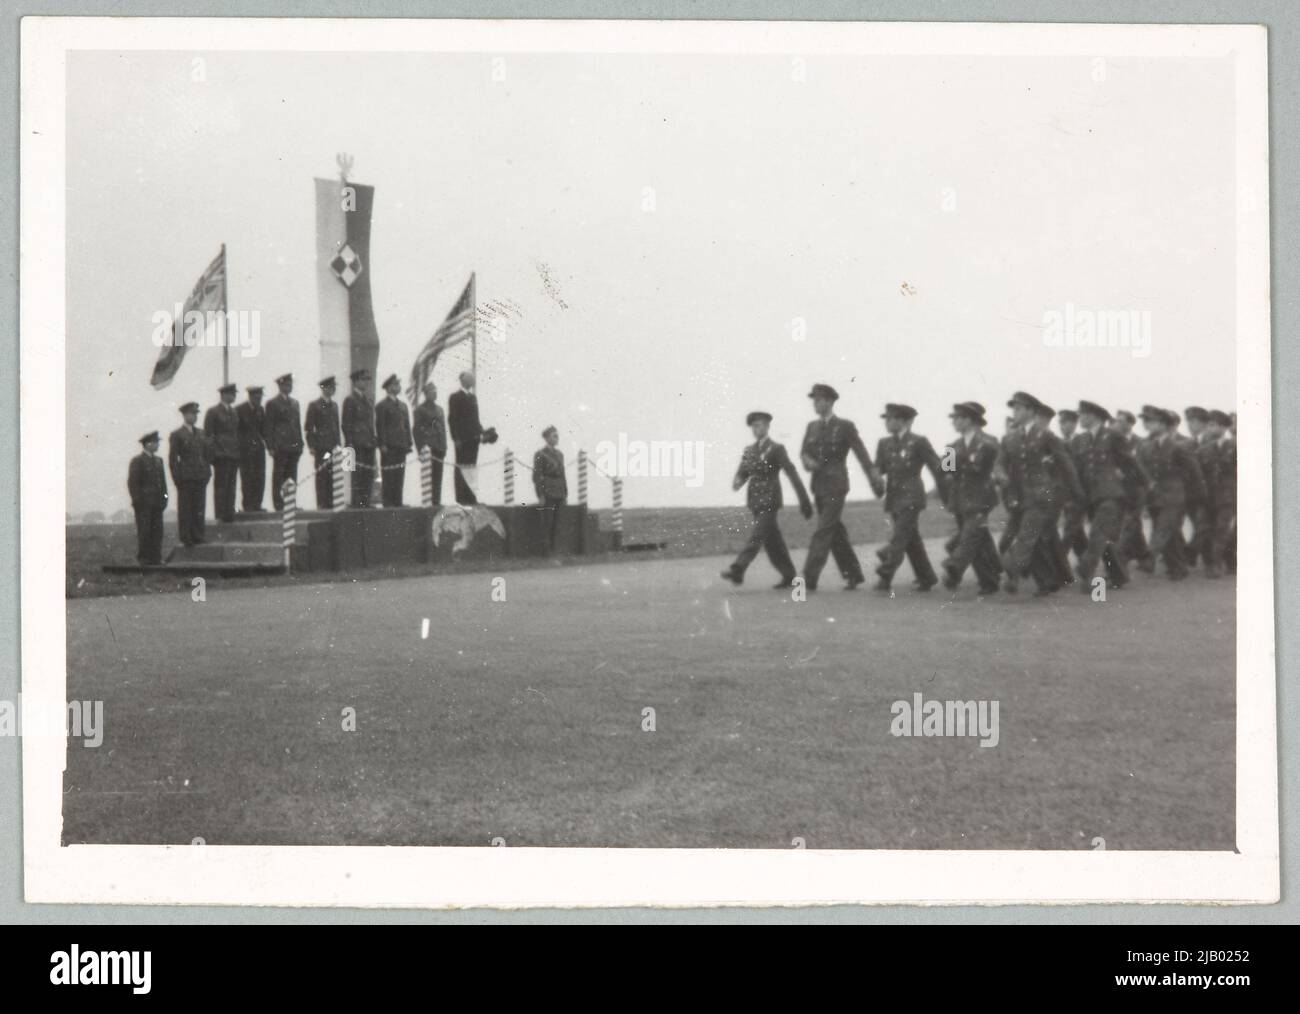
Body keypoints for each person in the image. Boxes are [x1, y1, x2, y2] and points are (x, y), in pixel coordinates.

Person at [996, 391, 1084, 596]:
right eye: (1013, 409)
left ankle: (1012, 572)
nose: (1014, 413)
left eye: (1018, 409)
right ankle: (1047, 581)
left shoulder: (1046, 436)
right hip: (1017, 496)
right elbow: (1000, 462)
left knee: (1027, 535)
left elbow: (1066, 465)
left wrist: (1077, 491)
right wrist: (1000, 475)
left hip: (1041, 496)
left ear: (1031, 411)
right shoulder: (1009, 438)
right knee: (1034, 539)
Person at [800, 383, 885, 592]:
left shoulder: (845, 426)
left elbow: (861, 452)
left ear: (829, 401)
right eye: (814, 400)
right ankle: (853, 574)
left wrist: (874, 476)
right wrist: (808, 461)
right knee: (834, 531)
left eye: (819, 400)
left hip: (837, 484)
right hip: (818, 485)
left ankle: (807, 579)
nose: (815, 404)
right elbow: (804, 452)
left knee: (823, 530)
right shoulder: (811, 427)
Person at [721, 411, 812, 587]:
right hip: (755, 500)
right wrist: (737, 481)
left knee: (757, 535)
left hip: (770, 499)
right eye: (754, 426)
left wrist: (804, 500)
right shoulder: (749, 450)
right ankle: (789, 575)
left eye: (760, 425)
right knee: (772, 540)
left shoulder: (777, 449)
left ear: (768, 426)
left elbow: (791, 473)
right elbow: (742, 472)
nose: (757, 429)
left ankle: (738, 569)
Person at [1073, 400, 1148, 591]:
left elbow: (1129, 462)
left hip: (1110, 494)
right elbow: (1077, 469)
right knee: (1104, 538)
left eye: (1082, 414)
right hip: (1090, 495)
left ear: (1094, 416)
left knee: (1097, 532)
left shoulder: (1112, 435)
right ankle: (1119, 575)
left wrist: (1144, 484)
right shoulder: (1080, 439)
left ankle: (1086, 571)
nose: (1079, 418)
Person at [873, 403, 948, 592]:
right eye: (886, 419)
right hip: (894, 498)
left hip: (912, 496)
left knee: (899, 538)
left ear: (905, 421)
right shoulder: (884, 443)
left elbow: (937, 466)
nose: (887, 422)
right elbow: (879, 468)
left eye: (891, 419)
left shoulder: (919, 441)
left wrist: (951, 462)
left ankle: (885, 575)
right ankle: (927, 577)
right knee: (910, 539)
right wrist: (875, 477)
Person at [1134, 406, 1205, 581]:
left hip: (1175, 496)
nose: (1148, 425)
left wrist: (1195, 495)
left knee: (1163, 528)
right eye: (1148, 421)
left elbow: (1194, 471)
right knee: (1170, 534)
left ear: (1164, 425)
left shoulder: (1177, 447)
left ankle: (1148, 556)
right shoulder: (1150, 446)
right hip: (1157, 496)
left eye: (1153, 422)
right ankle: (1178, 568)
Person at [940, 402, 1002, 594]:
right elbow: (947, 473)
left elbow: (998, 465)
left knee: (969, 536)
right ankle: (989, 581)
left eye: (958, 418)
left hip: (981, 498)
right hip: (960, 500)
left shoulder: (989, 442)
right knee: (978, 540)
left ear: (970, 419)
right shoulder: (952, 446)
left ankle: (954, 567)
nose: (954, 423)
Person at [169, 402, 211, 546]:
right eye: (191, 414)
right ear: (184, 415)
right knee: (186, 508)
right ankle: (186, 537)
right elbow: (173, 459)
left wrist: (207, 472)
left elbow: (206, 455)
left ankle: (198, 535)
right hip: (185, 477)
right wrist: (177, 478)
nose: (194, 417)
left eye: (195, 414)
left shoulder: (201, 433)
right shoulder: (177, 434)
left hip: (200, 476)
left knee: (199, 507)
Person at [127, 431, 168, 565]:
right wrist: (137, 501)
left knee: (158, 531)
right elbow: (133, 483)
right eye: (155, 442)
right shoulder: (137, 461)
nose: (157, 445)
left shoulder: (159, 461)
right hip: (144, 504)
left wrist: (165, 499)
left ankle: (156, 557)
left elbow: (163, 483)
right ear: (147, 444)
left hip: (157, 503)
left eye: (157, 442)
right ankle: (144, 558)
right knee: (144, 531)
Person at [264, 373, 303, 511]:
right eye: (286, 385)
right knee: (279, 475)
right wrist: (270, 446)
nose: (289, 387)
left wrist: (300, 443)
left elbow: (297, 425)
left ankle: (290, 502)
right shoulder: (272, 403)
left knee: (291, 476)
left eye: (290, 384)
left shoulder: (295, 403)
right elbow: (269, 426)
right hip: (280, 445)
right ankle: (278, 503)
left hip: (294, 445)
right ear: (280, 386)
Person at [448, 371, 488, 504]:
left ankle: (471, 496)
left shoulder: (473, 398)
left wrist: (482, 431)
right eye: (470, 378)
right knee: (461, 467)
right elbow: (452, 419)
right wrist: (456, 438)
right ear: (463, 380)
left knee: (471, 467)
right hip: (462, 439)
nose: (473, 381)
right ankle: (461, 497)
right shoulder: (455, 397)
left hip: (473, 438)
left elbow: (475, 419)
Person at [203, 383, 240, 523]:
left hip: (233, 453)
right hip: (221, 454)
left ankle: (229, 513)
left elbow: (235, 433)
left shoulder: (234, 412)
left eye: (234, 394)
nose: (234, 396)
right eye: (231, 394)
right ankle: (220, 514)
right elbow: (209, 436)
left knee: (231, 485)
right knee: (221, 486)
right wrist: (212, 455)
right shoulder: (213, 412)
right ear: (224, 395)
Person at [375, 373, 413, 507]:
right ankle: (388, 502)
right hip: (389, 446)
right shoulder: (382, 405)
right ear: (389, 387)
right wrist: (382, 444)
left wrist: (409, 442)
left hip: (401, 445)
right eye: (396, 384)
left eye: (398, 384)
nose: (398, 387)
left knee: (399, 475)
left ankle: (398, 501)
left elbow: (407, 426)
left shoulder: (403, 405)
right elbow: (381, 426)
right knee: (389, 475)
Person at [305, 376, 343, 510]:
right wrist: (311, 446)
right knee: (322, 475)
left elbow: (336, 427)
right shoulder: (314, 405)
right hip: (321, 447)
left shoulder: (335, 406)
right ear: (323, 388)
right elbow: (309, 428)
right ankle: (322, 503)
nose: (332, 389)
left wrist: (339, 445)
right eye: (329, 387)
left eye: (333, 387)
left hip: (333, 447)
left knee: (333, 474)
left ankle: (331, 502)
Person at [342, 369, 377, 508]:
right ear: (355, 382)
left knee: (368, 473)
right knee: (357, 473)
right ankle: (357, 502)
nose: (365, 383)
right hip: (356, 442)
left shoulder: (367, 400)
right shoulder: (350, 400)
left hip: (368, 442)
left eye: (366, 380)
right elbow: (346, 423)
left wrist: (373, 438)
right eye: (362, 380)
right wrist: (349, 443)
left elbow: (369, 422)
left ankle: (366, 501)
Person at [533, 425, 569, 554]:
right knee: (547, 522)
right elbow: (537, 476)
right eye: (554, 436)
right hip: (547, 491)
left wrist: (565, 493)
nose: (557, 438)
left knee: (558, 523)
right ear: (547, 438)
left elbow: (563, 474)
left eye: (557, 436)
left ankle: (555, 550)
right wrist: (540, 495)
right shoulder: (540, 454)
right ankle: (546, 552)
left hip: (559, 491)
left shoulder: (560, 454)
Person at [413, 381, 448, 506]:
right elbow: (416, 431)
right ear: (426, 394)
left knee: (438, 477)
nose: (434, 393)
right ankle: (429, 503)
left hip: (439, 447)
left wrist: (444, 446)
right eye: (431, 391)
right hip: (428, 448)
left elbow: (443, 429)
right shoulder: (420, 410)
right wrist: (421, 450)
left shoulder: (440, 409)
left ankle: (436, 502)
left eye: (435, 391)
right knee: (429, 477)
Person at [236, 385, 267, 512]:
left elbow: (263, 429)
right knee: (247, 477)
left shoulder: (261, 409)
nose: (258, 399)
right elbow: (236, 430)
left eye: (260, 397)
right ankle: (248, 505)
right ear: (250, 396)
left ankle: (257, 504)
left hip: (258, 449)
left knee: (259, 477)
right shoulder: (239, 409)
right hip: (245, 449)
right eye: (256, 397)